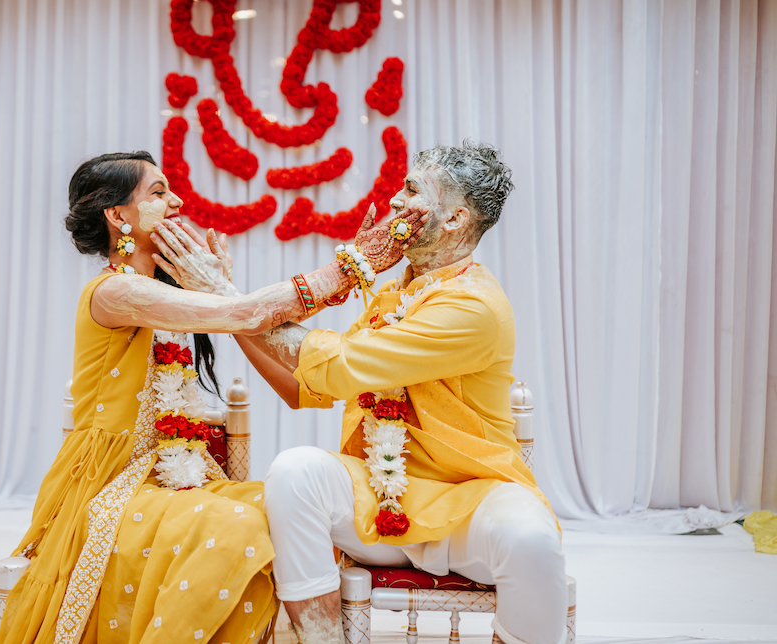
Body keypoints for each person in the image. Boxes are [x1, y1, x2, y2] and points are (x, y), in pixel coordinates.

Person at [0, 151, 425, 644]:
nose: (175, 201)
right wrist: (355, 265)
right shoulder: (113, 293)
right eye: (157, 192)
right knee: (237, 528)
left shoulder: (169, 296)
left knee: (287, 509)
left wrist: (218, 289)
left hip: (177, 480)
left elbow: (283, 372)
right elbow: (244, 313)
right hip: (111, 484)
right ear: (117, 215)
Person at [160, 142, 568, 644]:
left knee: (532, 538)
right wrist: (230, 310)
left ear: (457, 217)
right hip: (378, 499)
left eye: (412, 190)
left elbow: (335, 364)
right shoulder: (397, 295)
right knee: (296, 472)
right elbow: (299, 387)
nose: (395, 202)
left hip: (471, 500)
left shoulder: (474, 308)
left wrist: (225, 300)